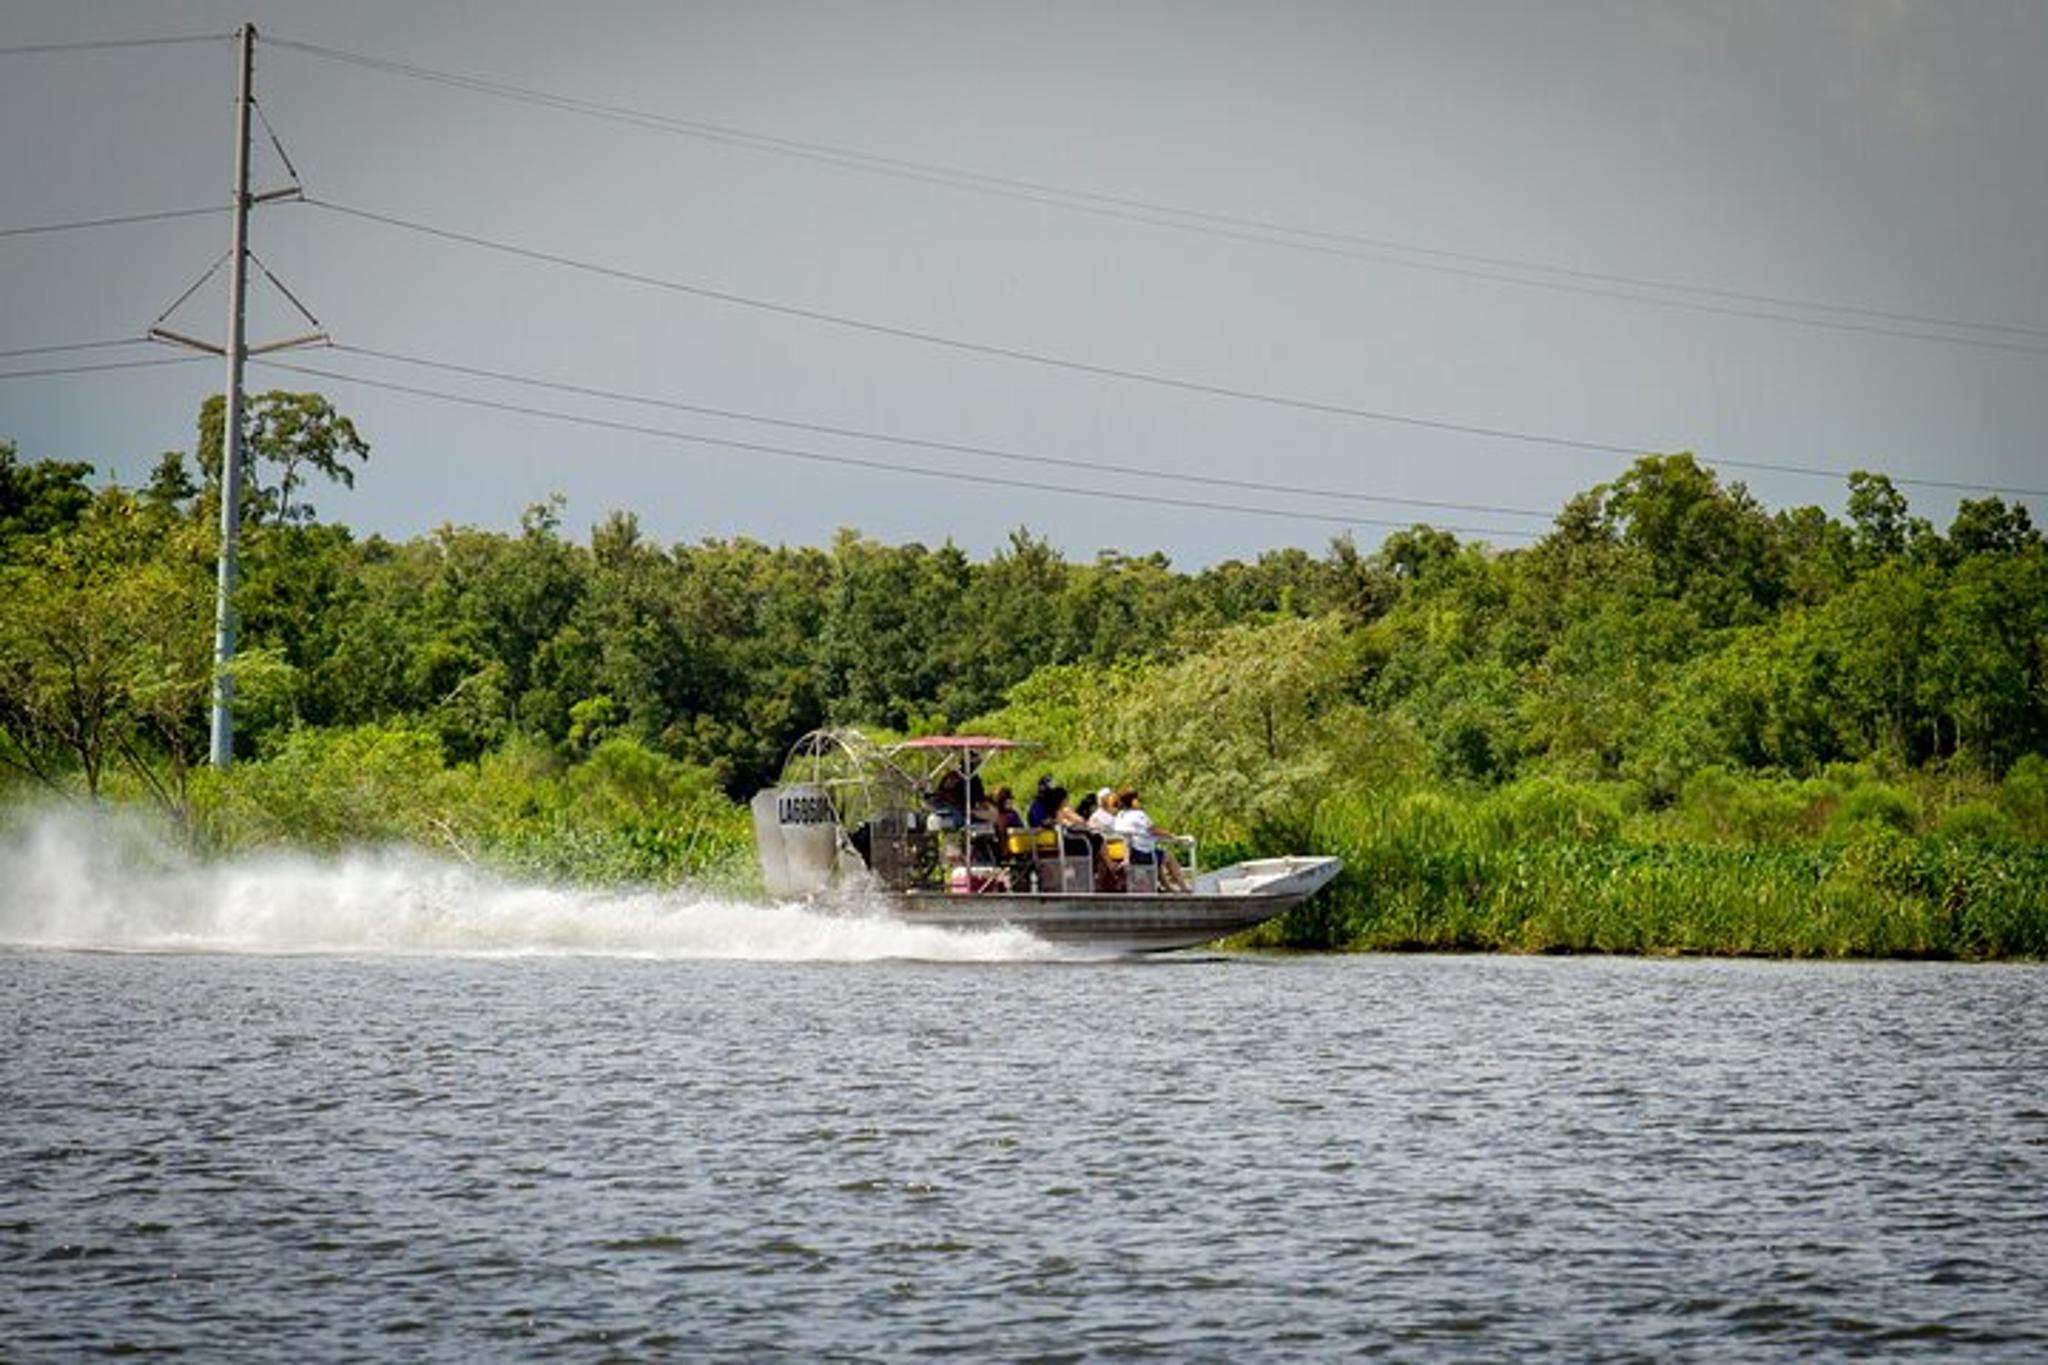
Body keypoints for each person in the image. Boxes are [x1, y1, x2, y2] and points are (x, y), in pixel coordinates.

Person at [1113, 788, 1189, 891]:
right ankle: (1183, 887)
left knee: (1159, 857)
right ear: (1134, 801)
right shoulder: (1139, 814)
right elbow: (1153, 830)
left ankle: (1169, 888)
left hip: (1127, 853)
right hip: (1140, 854)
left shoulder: (1119, 816)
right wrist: (1173, 837)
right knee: (1168, 856)